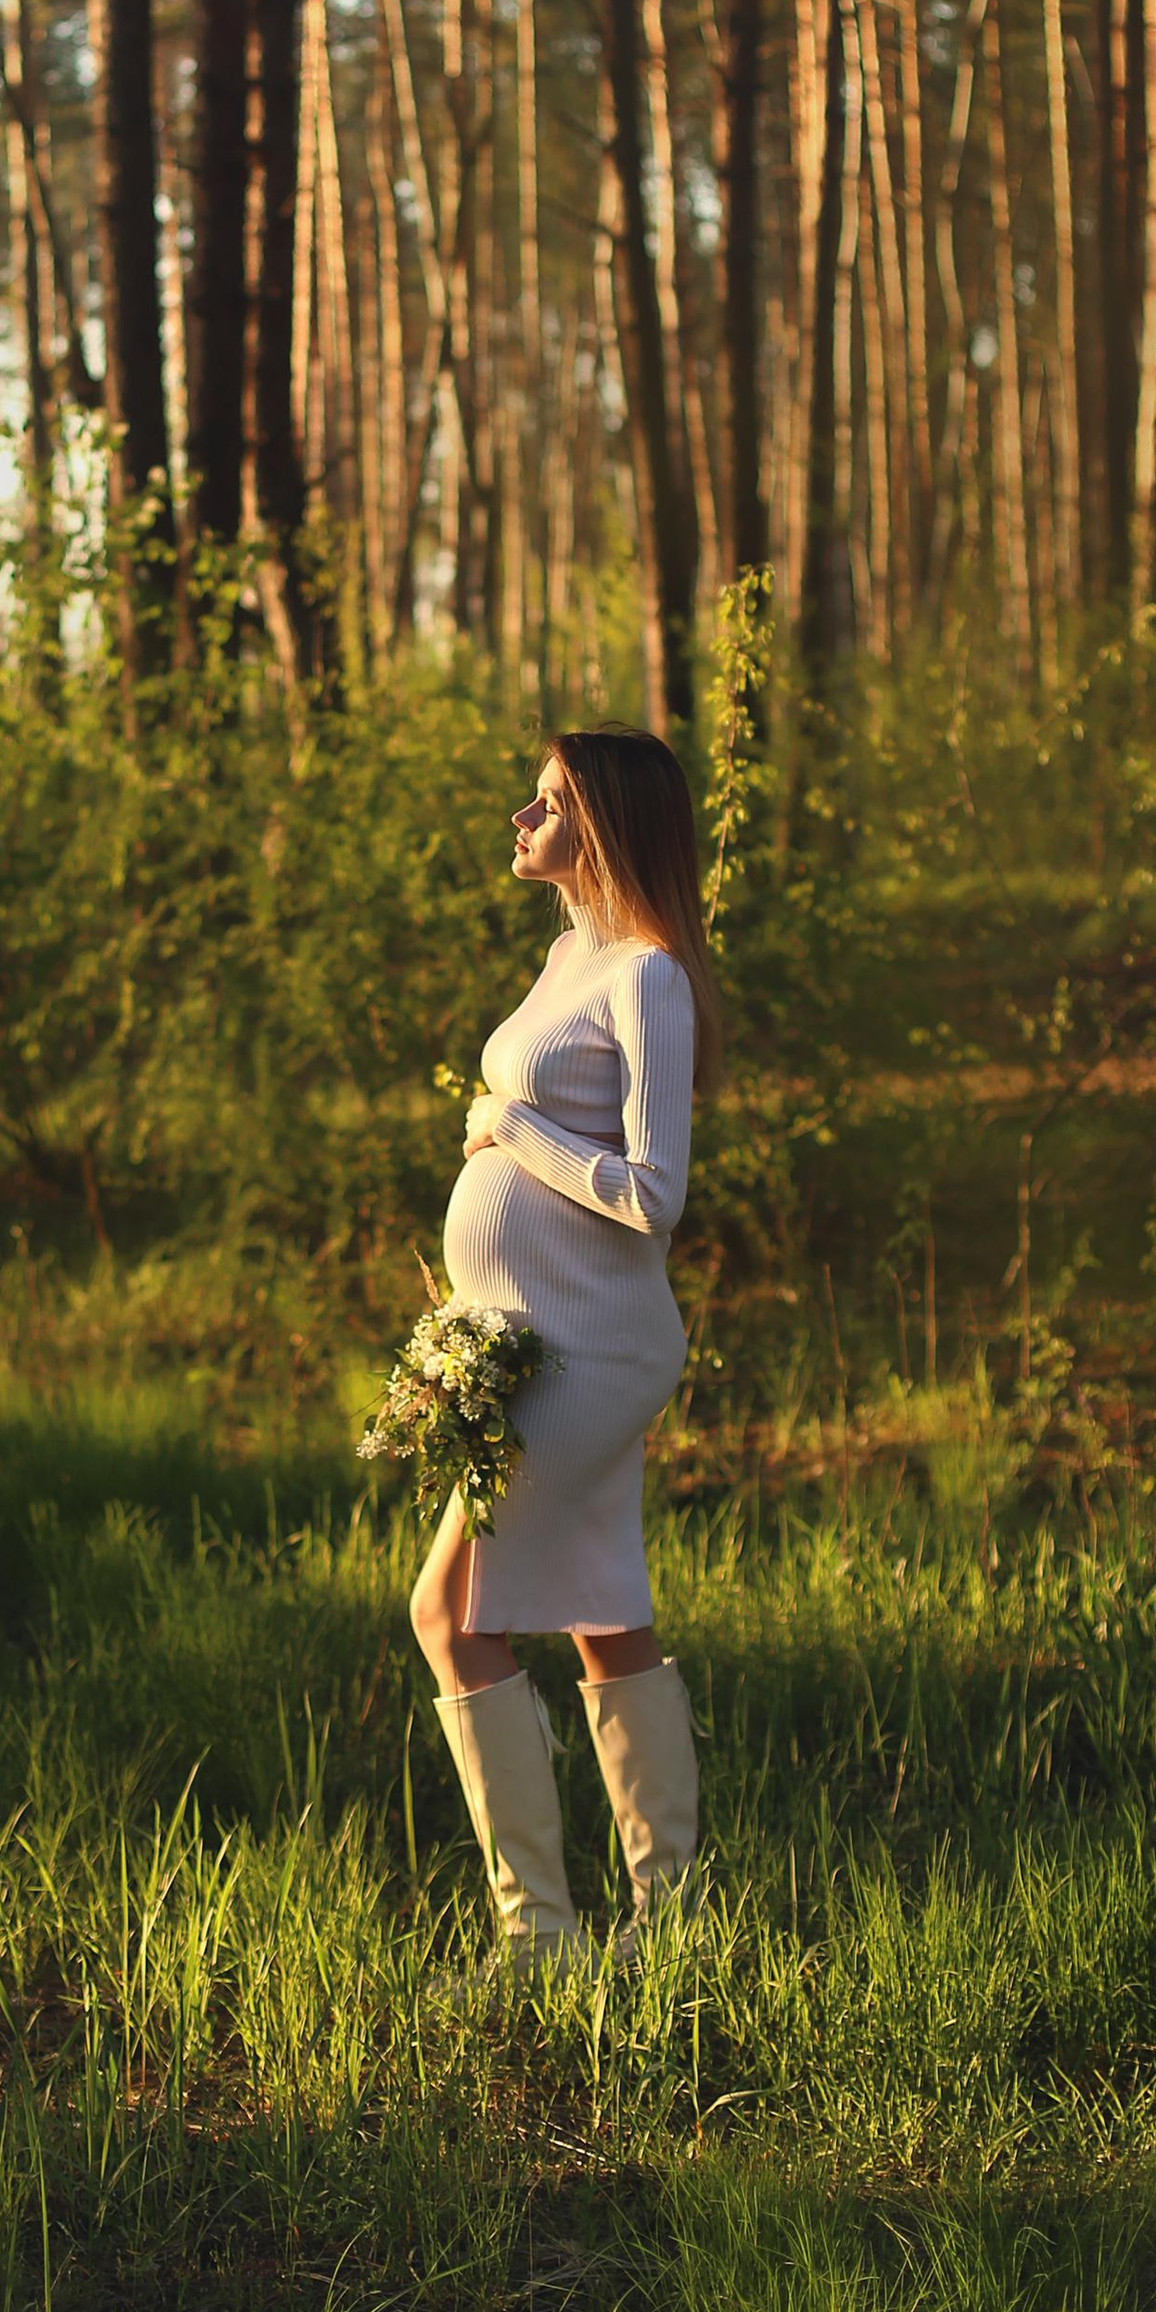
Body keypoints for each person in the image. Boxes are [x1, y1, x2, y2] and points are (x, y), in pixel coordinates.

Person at [408, 726, 721, 1974]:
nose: (521, 817)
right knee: (603, 1617)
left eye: (547, 801)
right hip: (526, 1340)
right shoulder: (565, 956)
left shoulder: (647, 977)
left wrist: (509, 1128)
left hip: (589, 1351)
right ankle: (670, 1927)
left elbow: (654, 1195)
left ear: (605, 824)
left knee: (447, 1615)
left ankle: (539, 1941)